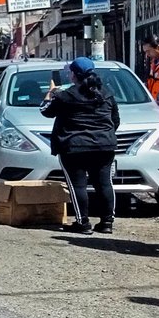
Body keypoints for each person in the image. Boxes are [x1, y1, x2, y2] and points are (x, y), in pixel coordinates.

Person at [40, 57, 120, 235]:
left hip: (73, 147)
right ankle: (107, 222)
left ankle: (83, 223)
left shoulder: (66, 95)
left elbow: (45, 111)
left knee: (78, 185)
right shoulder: (106, 93)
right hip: (104, 146)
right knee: (105, 183)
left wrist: (50, 94)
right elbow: (115, 120)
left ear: (73, 75)